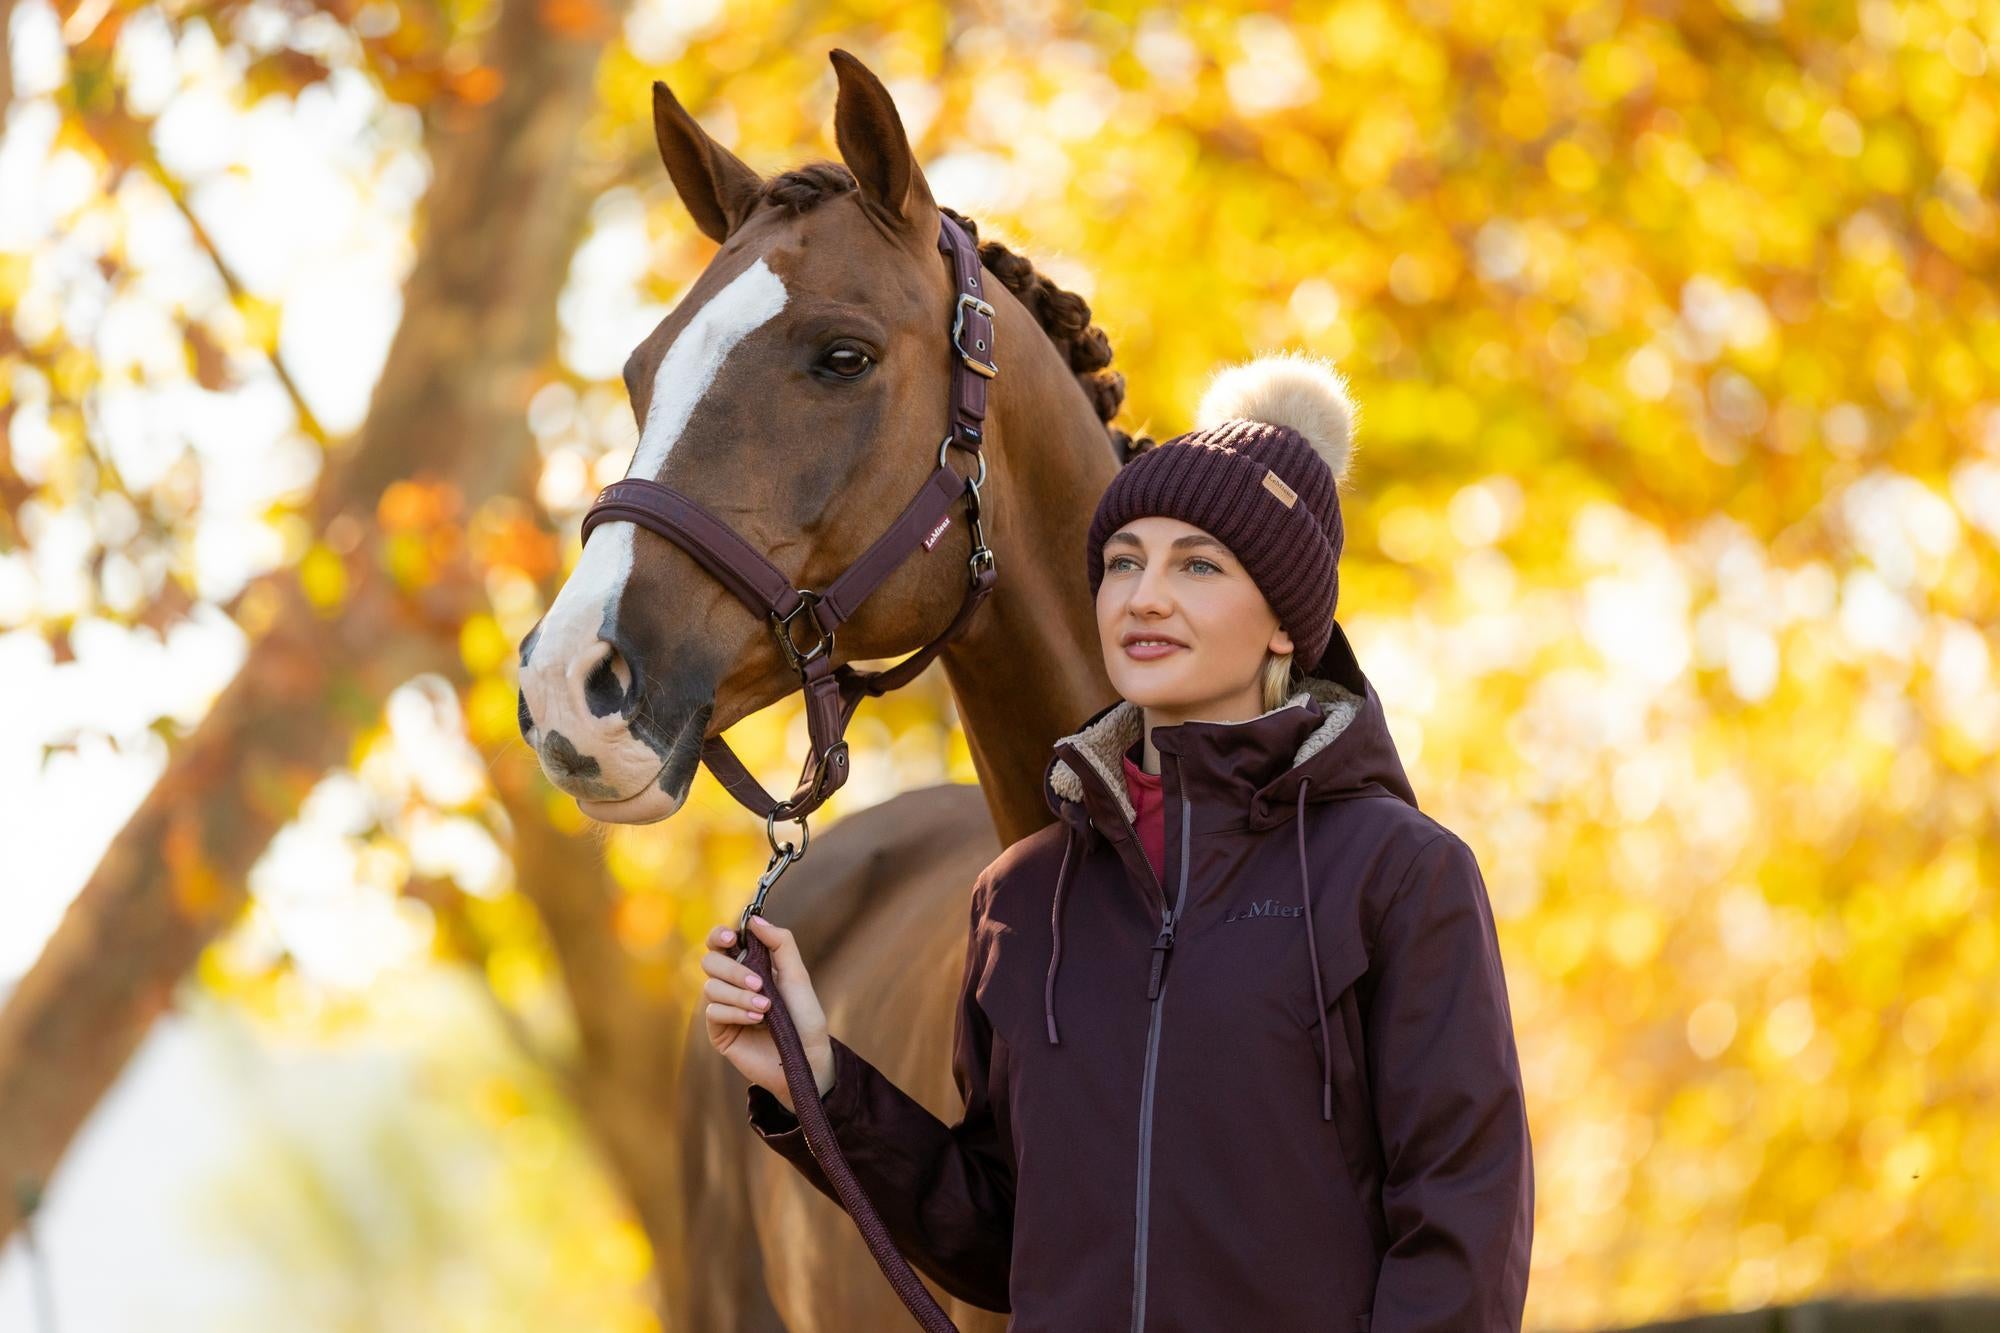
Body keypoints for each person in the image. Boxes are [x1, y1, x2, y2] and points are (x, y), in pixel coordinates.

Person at [700, 350, 1534, 1330]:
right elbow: (1006, 1240)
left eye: (1197, 565)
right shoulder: (1020, 898)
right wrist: (816, 1077)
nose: (1142, 595)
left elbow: (1460, 1229)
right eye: (1122, 563)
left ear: (1282, 622)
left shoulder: (1399, 876)